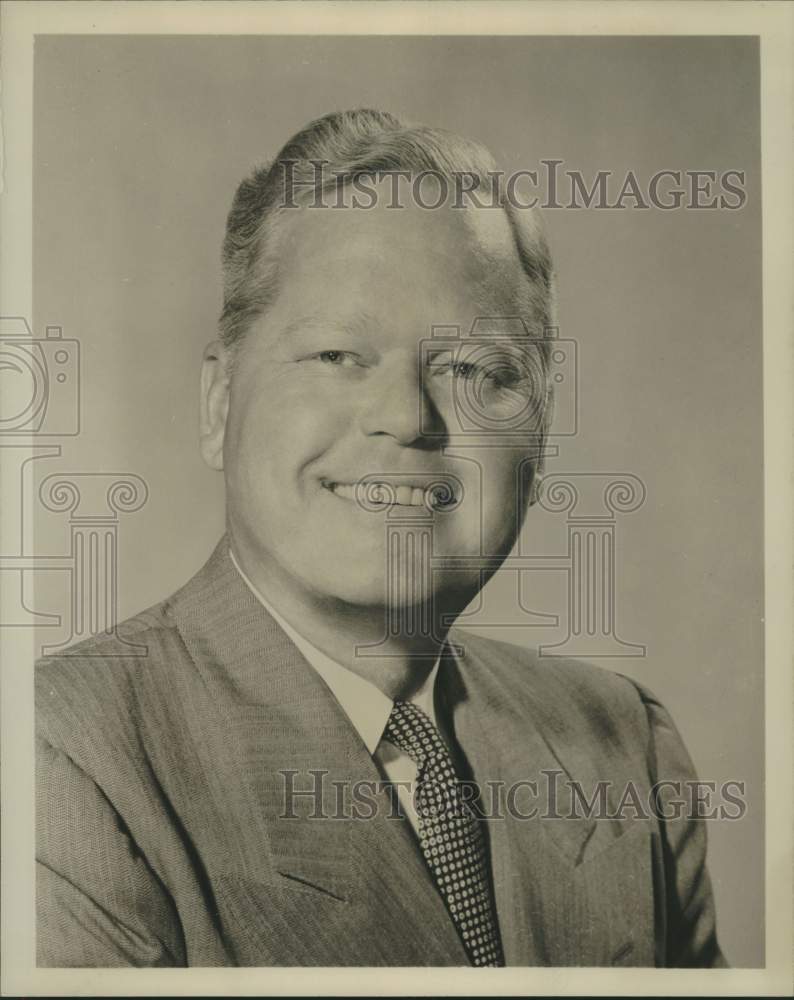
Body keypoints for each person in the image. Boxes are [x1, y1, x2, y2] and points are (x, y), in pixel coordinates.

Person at [36, 108, 725, 968]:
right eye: (336, 355)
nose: (407, 417)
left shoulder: (624, 744)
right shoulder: (58, 756)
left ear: (541, 432)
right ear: (219, 403)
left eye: (475, 370)